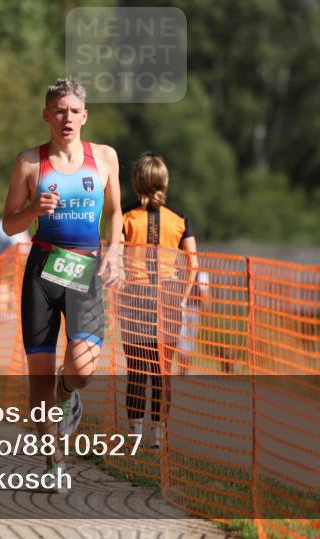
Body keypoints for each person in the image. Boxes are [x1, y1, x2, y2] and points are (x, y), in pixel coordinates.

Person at [1, 77, 123, 487]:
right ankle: (54, 460)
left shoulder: (104, 157)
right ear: (46, 115)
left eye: (73, 111)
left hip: (84, 269)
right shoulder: (29, 163)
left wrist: (115, 250)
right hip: (42, 272)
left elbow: (115, 213)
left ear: (84, 115)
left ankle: (67, 392)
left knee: (83, 368)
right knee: (38, 378)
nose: (66, 118)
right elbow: (9, 224)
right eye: (59, 111)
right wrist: (33, 209)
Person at [118, 152, 198, 447]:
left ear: (136, 181)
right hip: (169, 295)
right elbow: (193, 262)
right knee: (162, 368)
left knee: (137, 367)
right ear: (164, 182)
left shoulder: (125, 217)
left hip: (135, 296)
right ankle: (158, 434)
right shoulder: (179, 219)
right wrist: (183, 297)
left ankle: (135, 432)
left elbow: (115, 254)